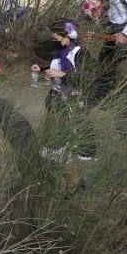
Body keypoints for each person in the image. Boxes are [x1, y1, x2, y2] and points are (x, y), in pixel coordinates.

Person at [32, 21, 94, 161]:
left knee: (79, 122)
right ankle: (56, 149)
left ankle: (86, 152)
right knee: (56, 119)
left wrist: (63, 75)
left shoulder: (80, 53)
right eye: (53, 39)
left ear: (67, 37)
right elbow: (57, 66)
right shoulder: (59, 52)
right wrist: (43, 69)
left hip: (73, 95)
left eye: (56, 39)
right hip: (57, 92)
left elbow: (87, 75)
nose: (54, 42)